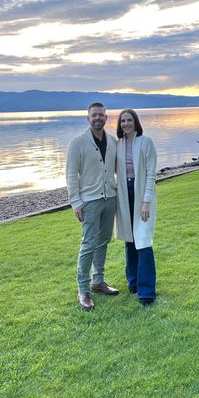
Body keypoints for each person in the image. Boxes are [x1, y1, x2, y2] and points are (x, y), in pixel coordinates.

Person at [66, 102, 119, 311]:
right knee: (88, 243)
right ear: (88, 119)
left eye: (101, 115)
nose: (97, 118)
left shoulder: (113, 142)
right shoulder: (78, 143)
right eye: (94, 115)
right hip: (89, 200)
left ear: (106, 118)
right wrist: (76, 202)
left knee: (103, 240)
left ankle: (98, 281)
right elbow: (71, 175)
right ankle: (83, 291)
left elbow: (119, 170)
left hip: (110, 198)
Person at [115, 109, 157, 306]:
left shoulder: (146, 142)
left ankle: (147, 291)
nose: (126, 123)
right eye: (123, 121)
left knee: (143, 240)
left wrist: (146, 201)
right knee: (130, 238)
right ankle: (133, 282)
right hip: (124, 193)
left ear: (136, 122)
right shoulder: (119, 144)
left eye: (129, 120)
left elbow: (151, 174)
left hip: (141, 193)